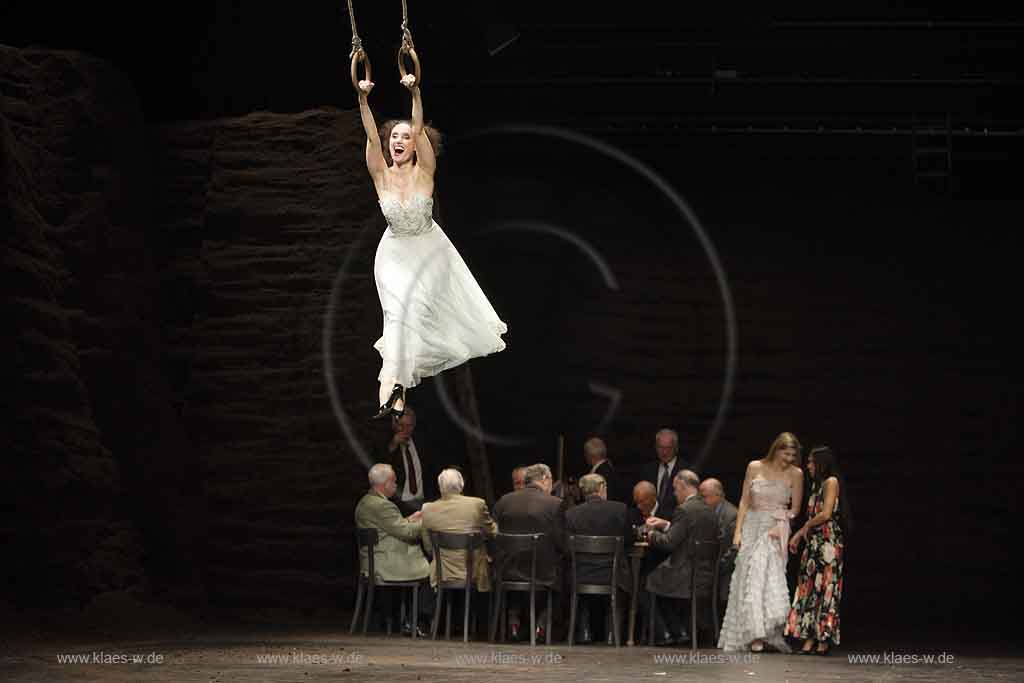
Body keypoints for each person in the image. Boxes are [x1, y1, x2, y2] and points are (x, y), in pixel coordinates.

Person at [356, 73, 507, 419]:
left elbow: (420, 126)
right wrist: (363, 100)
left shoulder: (425, 171)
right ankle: (391, 390)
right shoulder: (380, 173)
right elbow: (368, 133)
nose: (398, 140)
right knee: (396, 315)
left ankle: (396, 387)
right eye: (394, 135)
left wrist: (415, 92)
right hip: (393, 253)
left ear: (415, 144)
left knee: (414, 315)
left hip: (428, 252)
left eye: (405, 137)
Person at [718, 432, 804, 653]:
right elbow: (744, 501)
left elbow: (795, 509)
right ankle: (750, 633)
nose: (789, 458)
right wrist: (738, 532)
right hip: (752, 525)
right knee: (747, 579)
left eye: (793, 454)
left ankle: (763, 633)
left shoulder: (796, 474)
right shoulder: (754, 467)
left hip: (775, 529)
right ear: (776, 449)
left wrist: (781, 524)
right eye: (786, 453)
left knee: (764, 577)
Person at [354, 463, 433, 634]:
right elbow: (406, 533)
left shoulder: (366, 501)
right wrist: (425, 521)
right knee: (431, 571)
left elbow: (391, 526)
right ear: (385, 484)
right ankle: (415, 621)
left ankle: (409, 621)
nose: (396, 485)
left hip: (375, 559)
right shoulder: (383, 506)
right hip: (385, 562)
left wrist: (411, 518)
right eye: (394, 482)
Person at [644, 470, 719, 645]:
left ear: (684, 487)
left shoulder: (684, 510)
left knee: (644, 584)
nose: (674, 493)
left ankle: (667, 634)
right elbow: (690, 531)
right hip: (705, 575)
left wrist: (651, 534)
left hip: (685, 574)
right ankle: (680, 631)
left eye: (676, 489)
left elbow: (669, 543)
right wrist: (667, 524)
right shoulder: (709, 510)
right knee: (656, 581)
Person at [493, 463, 566, 641]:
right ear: (545, 479)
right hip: (542, 573)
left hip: (508, 570)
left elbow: (494, 535)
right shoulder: (555, 504)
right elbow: (562, 543)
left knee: (520, 567)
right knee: (565, 571)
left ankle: (513, 619)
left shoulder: (504, 501)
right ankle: (542, 624)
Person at [420, 467, 497, 634]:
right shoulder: (477, 504)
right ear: (461, 485)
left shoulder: (427, 509)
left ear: (440, 488)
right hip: (474, 571)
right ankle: (485, 630)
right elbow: (492, 532)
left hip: (443, 571)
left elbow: (428, 546)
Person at [785, 446, 847, 655]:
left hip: (828, 542)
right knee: (810, 588)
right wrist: (804, 533)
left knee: (826, 588)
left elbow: (826, 513)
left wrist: (803, 529)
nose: (808, 465)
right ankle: (810, 639)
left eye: (811, 462)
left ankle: (823, 639)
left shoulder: (831, 482)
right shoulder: (816, 487)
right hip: (814, 543)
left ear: (821, 462)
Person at [565, 473, 632, 643]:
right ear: (601, 488)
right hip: (613, 575)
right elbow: (629, 539)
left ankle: (584, 632)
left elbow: (566, 545)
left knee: (582, 594)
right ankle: (612, 635)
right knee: (622, 588)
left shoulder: (571, 514)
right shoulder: (620, 509)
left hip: (580, 575)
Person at [376, 407, 436, 515]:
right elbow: (380, 470)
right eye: (401, 425)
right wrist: (393, 445)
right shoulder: (386, 444)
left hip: (423, 502)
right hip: (399, 505)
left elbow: (431, 470)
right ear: (394, 425)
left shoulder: (421, 442)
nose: (405, 430)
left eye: (409, 426)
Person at [699, 477, 738, 604]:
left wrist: (714, 570)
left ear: (718, 496)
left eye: (704, 497)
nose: (701, 501)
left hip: (723, 573)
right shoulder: (707, 511)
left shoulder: (731, 516)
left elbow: (732, 551)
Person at [640, 429, 691, 520]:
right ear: (655, 447)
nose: (664, 452)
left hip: (676, 523)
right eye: (661, 447)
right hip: (649, 521)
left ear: (676, 448)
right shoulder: (647, 470)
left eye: (668, 448)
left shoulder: (687, 471)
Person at [583, 437, 625, 503]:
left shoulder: (598, 474)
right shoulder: (609, 468)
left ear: (590, 455)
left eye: (585, 453)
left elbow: (595, 501)